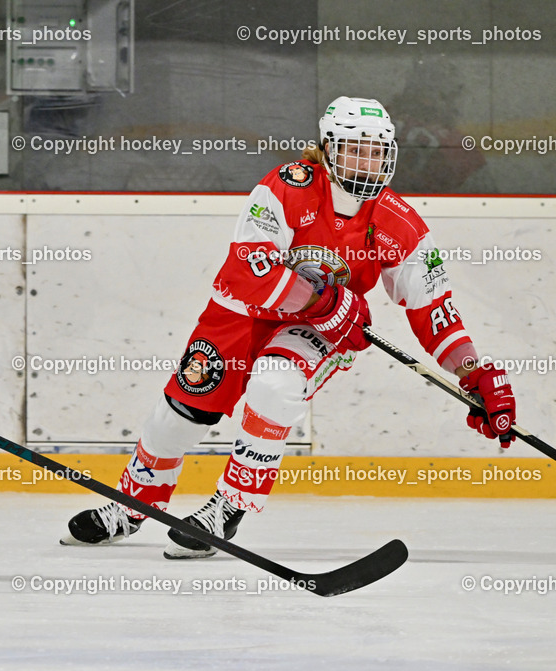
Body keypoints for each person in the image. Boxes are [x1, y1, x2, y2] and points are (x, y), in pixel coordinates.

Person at [61, 96, 517, 558]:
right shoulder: (286, 186)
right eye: (356, 148)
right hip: (243, 312)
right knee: (179, 417)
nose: (368, 161)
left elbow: (433, 307)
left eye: (377, 150)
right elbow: (249, 271)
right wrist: (326, 301)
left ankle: (229, 506)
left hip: (317, 332)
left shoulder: (398, 221)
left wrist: (472, 371)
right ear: (327, 147)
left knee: (274, 383)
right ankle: (133, 504)